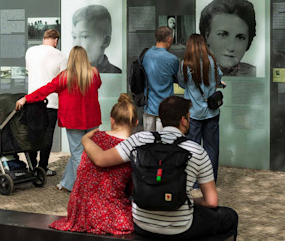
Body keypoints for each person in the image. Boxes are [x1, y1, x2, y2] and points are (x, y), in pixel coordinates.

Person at [82, 96, 238, 240]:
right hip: (180, 228)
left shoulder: (140, 139)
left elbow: (100, 159)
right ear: (183, 120)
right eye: (189, 118)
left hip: (141, 224)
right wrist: (184, 198)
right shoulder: (197, 150)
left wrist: (85, 139)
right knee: (229, 216)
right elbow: (211, 202)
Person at [50, 93, 139, 235]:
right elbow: (133, 187)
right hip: (107, 214)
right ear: (136, 123)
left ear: (112, 120)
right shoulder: (131, 146)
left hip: (80, 211)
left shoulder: (94, 137)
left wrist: (85, 139)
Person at [15, 46, 101, 192]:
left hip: (74, 120)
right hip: (91, 119)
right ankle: (67, 183)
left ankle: (83, 186)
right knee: (83, 153)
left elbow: (45, 90)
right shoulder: (93, 73)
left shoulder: (65, 76)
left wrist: (26, 98)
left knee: (77, 154)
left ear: (71, 59)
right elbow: (98, 85)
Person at [178, 34, 224, 183]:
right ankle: (210, 180)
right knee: (211, 147)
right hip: (211, 111)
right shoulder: (212, 60)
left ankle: (193, 181)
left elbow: (183, 84)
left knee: (192, 147)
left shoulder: (185, 63)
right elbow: (218, 80)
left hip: (193, 112)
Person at [24, 29, 66, 176]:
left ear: (44, 38)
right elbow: (62, 82)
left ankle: (31, 166)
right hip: (52, 102)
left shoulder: (30, 51)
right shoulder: (61, 56)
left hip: (33, 100)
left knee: (33, 135)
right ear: (55, 40)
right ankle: (42, 168)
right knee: (47, 136)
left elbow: (29, 70)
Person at [199, 0, 257, 77]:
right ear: (207, 35)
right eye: (223, 35)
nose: (231, 47)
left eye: (240, 37)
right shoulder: (192, 71)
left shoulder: (252, 73)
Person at [141, 26, 179, 132]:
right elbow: (178, 79)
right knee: (163, 144)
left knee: (148, 142)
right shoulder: (173, 59)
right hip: (166, 109)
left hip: (148, 107)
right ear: (169, 40)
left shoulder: (145, 55)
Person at [71, 5, 120, 73]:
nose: (76, 44)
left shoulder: (116, 73)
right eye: (74, 37)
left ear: (105, 41)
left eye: (84, 36)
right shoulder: (70, 73)